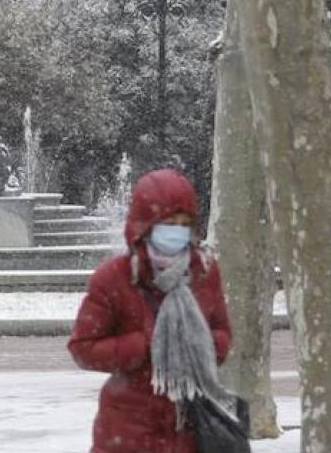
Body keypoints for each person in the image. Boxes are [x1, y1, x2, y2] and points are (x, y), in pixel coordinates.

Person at [70, 168, 236, 453]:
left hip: (192, 426)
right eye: (170, 223)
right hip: (128, 429)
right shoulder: (115, 278)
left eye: (185, 223)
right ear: (146, 225)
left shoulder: (204, 272)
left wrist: (201, 347)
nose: (178, 231)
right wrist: (144, 346)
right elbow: (83, 347)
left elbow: (222, 332)